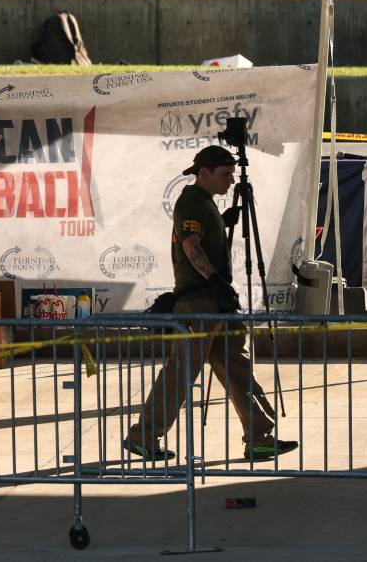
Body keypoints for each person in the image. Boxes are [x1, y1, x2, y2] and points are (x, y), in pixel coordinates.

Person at [124, 146, 297, 462]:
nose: (231, 180)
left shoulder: (204, 205)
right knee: (183, 370)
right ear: (203, 173)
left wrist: (221, 219)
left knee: (235, 365)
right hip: (201, 299)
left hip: (213, 301)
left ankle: (259, 436)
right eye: (225, 174)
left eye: (232, 174)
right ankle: (143, 436)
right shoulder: (191, 201)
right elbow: (191, 246)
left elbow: (199, 238)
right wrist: (216, 280)